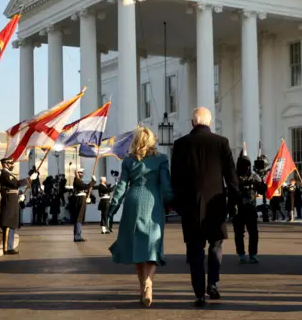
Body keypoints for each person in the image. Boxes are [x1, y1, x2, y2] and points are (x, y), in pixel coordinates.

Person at [171, 107, 239, 308]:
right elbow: (231, 176)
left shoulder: (180, 144)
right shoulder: (221, 142)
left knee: (195, 249)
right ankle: (214, 284)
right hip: (215, 204)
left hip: (190, 205)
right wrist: (234, 201)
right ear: (209, 123)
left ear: (192, 123)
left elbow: (175, 179)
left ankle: (199, 292)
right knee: (216, 245)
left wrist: (177, 204)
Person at [107, 127, 173, 307]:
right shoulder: (161, 159)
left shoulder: (128, 160)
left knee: (136, 248)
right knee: (152, 245)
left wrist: (112, 209)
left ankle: (141, 285)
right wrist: (172, 202)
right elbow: (166, 185)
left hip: (132, 202)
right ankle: (148, 284)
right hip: (153, 203)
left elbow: (121, 187)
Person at [0, 158, 37, 255]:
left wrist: (19, 197)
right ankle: (7, 248)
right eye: (11, 163)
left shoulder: (9, 174)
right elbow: (16, 184)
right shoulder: (5, 174)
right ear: (5, 164)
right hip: (8, 202)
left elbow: (14, 188)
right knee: (8, 225)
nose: (13, 165)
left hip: (12, 201)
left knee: (12, 224)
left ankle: (10, 247)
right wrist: (30, 178)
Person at [233, 149, 261, 264]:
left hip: (250, 208)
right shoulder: (234, 177)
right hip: (238, 208)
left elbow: (262, 190)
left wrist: (262, 178)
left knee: (253, 232)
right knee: (239, 233)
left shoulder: (253, 177)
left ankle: (253, 254)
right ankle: (241, 254)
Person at [71, 169, 96, 242]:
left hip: (81, 198)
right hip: (80, 199)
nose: (82, 174)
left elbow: (86, 187)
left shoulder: (78, 181)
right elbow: (85, 186)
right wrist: (93, 181)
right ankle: (77, 236)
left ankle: (77, 235)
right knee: (79, 217)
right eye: (81, 173)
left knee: (79, 217)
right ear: (77, 173)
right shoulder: (77, 181)